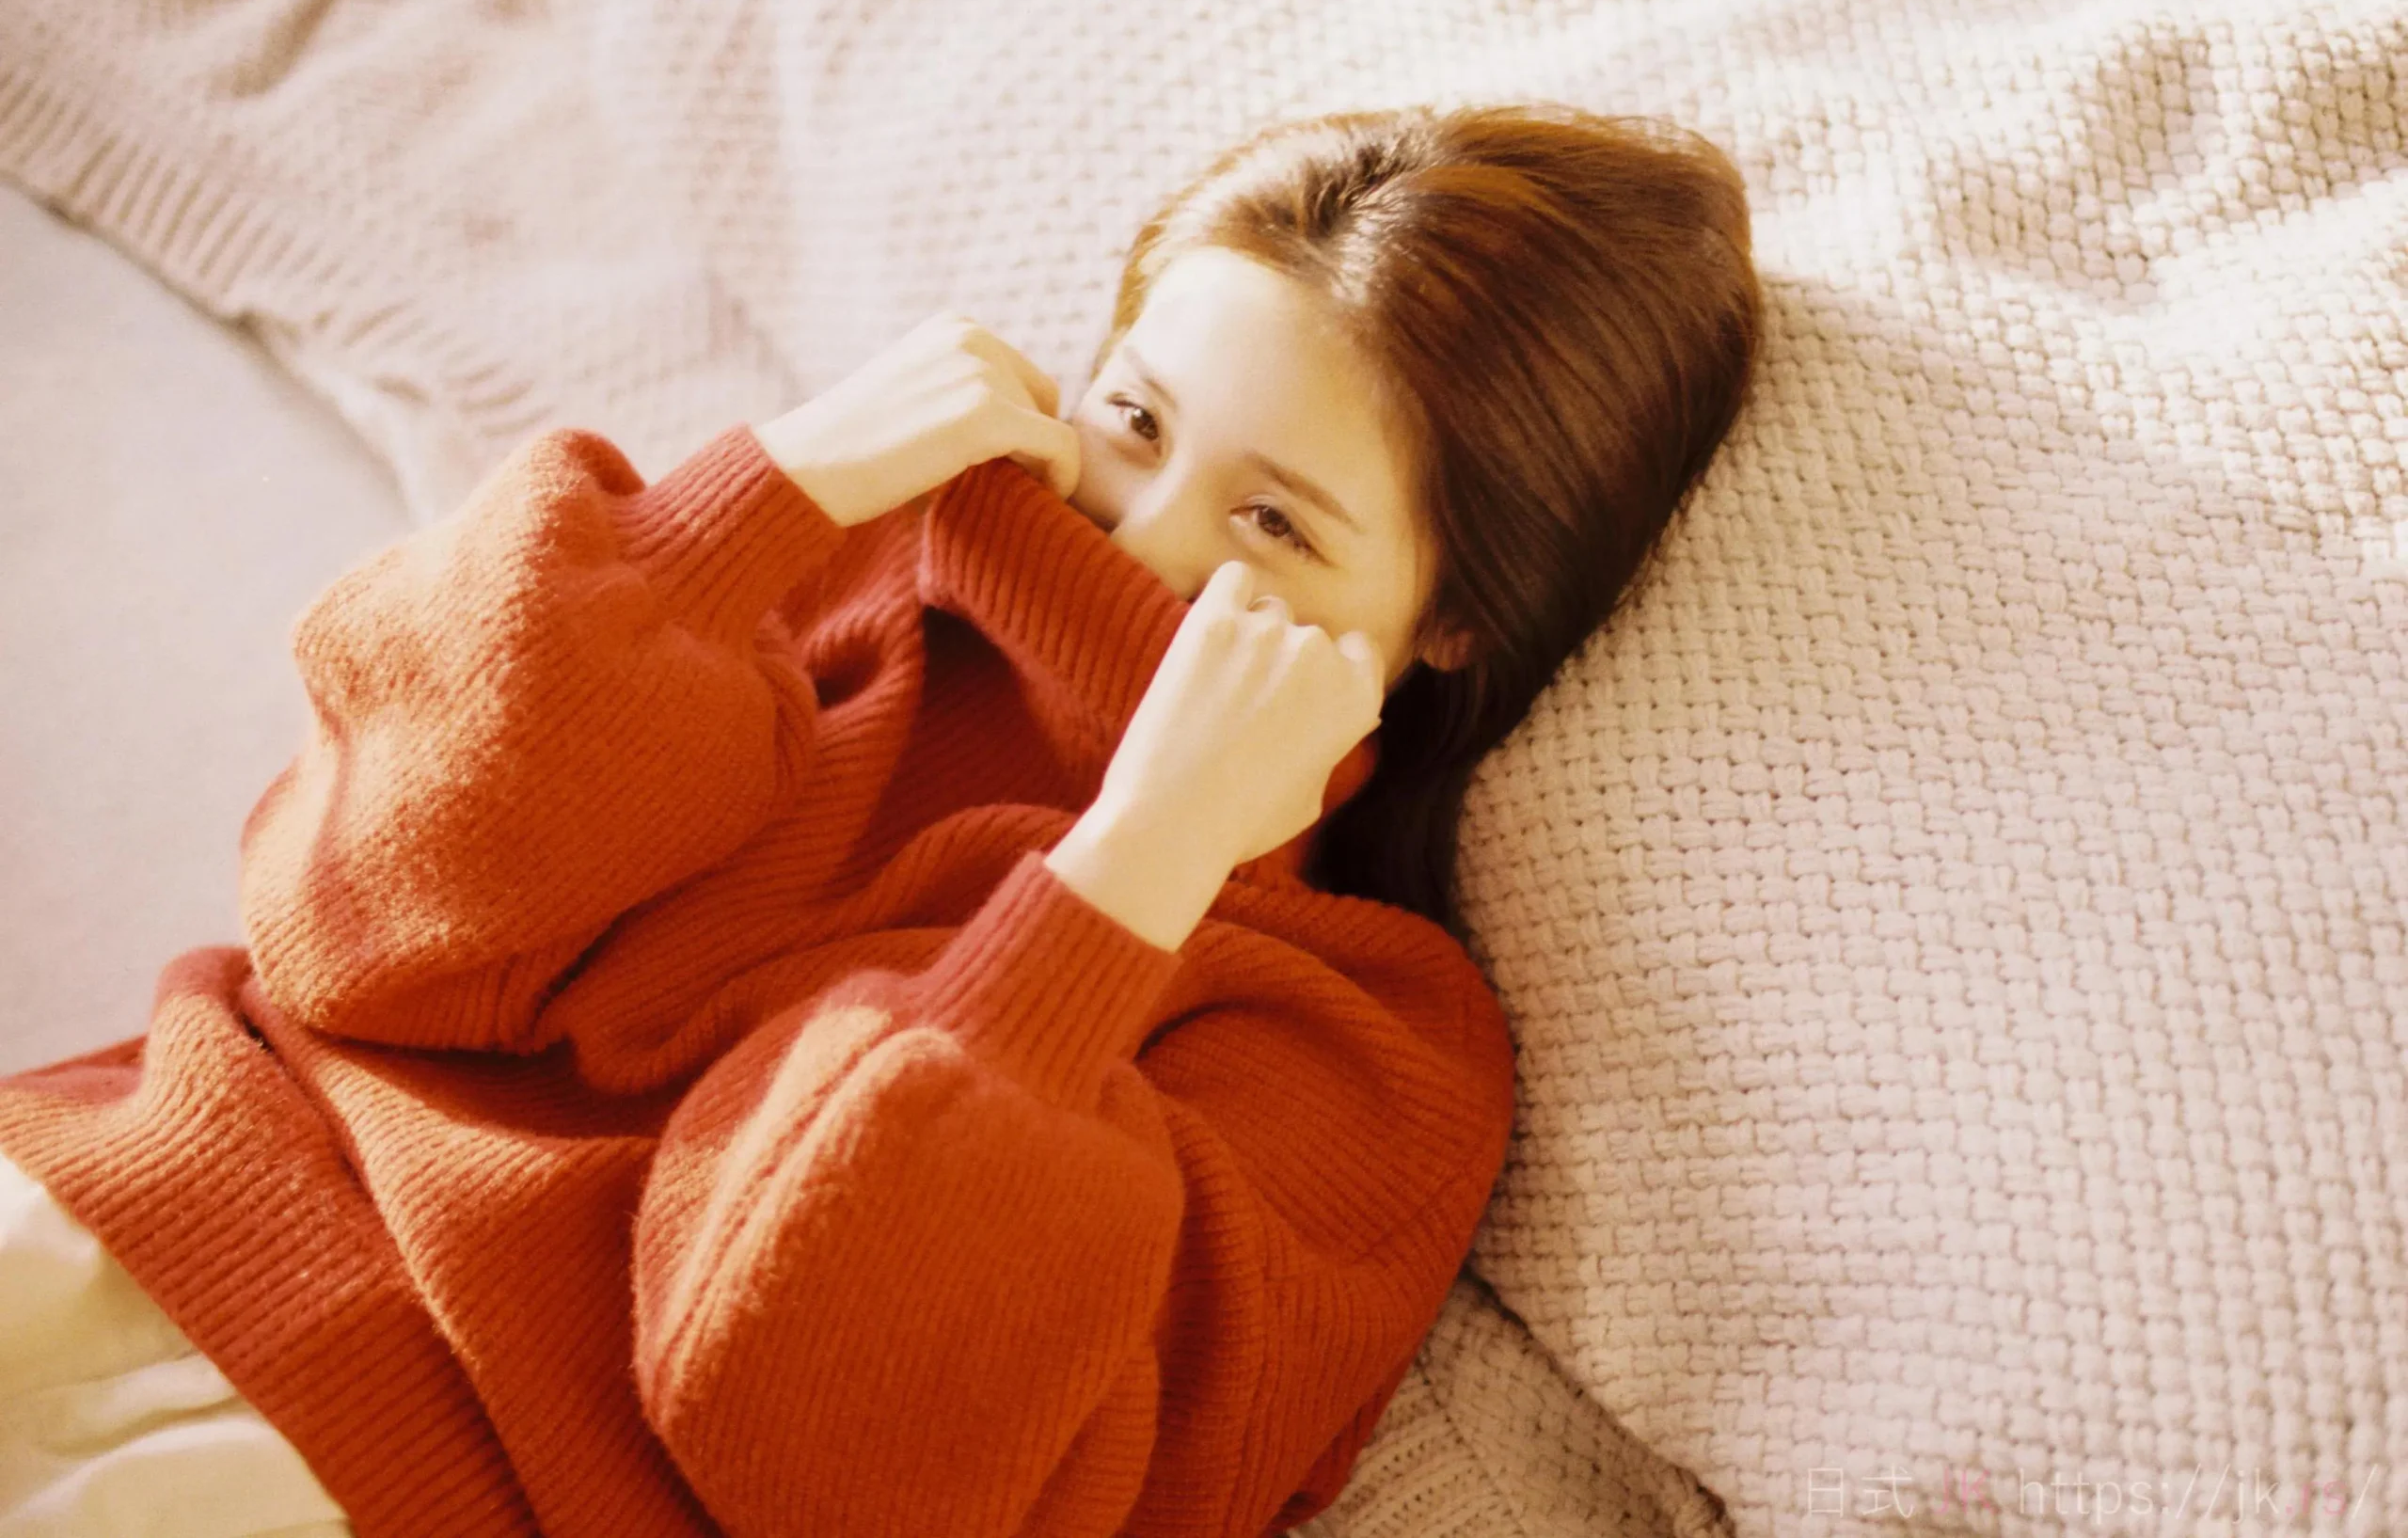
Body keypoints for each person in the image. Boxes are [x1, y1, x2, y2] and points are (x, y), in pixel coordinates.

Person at [0, 100, 1761, 1537]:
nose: (1136, 537)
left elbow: (815, 1451)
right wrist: (761, 491)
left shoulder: (1366, 1051)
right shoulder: (818, 564)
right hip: (116, 1193)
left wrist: (1127, 874)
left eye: (1275, 525)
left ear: (1450, 625)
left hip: (387, 1479)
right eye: (1133, 419)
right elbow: (352, 933)